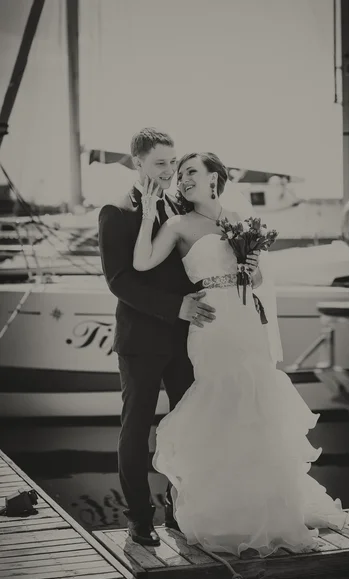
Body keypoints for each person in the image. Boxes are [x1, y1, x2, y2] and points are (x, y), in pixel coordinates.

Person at [132, 151, 349, 557]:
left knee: (256, 404)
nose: (183, 178)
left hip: (246, 319)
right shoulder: (178, 224)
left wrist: (252, 267)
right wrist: (148, 213)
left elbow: (259, 277)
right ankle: (224, 511)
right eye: (180, 174)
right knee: (222, 403)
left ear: (216, 177)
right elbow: (141, 263)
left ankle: (266, 508)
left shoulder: (238, 220)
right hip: (211, 324)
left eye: (192, 171)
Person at [98, 128, 218, 547]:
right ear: (138, 163)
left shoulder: (179, 206)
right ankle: (139, 519)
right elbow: (118, 281)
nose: (169, 171)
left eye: (172, 162)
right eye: (160, 163)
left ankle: (178, 513)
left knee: (187, 428)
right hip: (142, 343)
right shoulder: (115, 210)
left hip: (186, 343)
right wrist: (175, 308)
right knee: (136, 432)